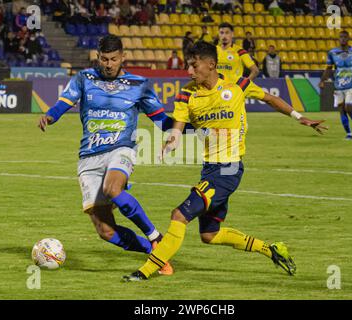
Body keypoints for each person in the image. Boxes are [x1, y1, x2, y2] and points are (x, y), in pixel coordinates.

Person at [123, 41, 327, 282]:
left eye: (194, 65)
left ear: (211, 65)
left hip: (229, 169)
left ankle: (145, 272)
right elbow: (178, 125)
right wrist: (173, 140)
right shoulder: (187, 94)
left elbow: (270, 99)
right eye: (188, 66)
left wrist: (299, 117)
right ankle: (271, 250)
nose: (189, 71)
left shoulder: (237, 85)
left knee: (179, 215)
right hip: (210, 169)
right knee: (209, 234)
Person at [37, 34, 195, 275]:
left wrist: (195, 127)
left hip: (121, 148)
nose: (108, 64)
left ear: (123, 57)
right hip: (89, 156)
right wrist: (50, 115)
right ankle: (154, 253)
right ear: (98, 58)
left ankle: (155, 236)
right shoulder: (84, 78)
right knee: (105, 231)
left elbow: (162, 121)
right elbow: (64, 102)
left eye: (113, 59)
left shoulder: (139, 85)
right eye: (103, 59)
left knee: (113, 189)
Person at [319, 30, 352, 140]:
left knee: (348, 106)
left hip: (351, 85)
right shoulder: (332, 52)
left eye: (344, 37)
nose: (342, 39)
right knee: (342, 109)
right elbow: (328, 68)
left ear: (348, 39)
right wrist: (322, 80)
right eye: (340, 37)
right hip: (338, 85)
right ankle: (348, 134)